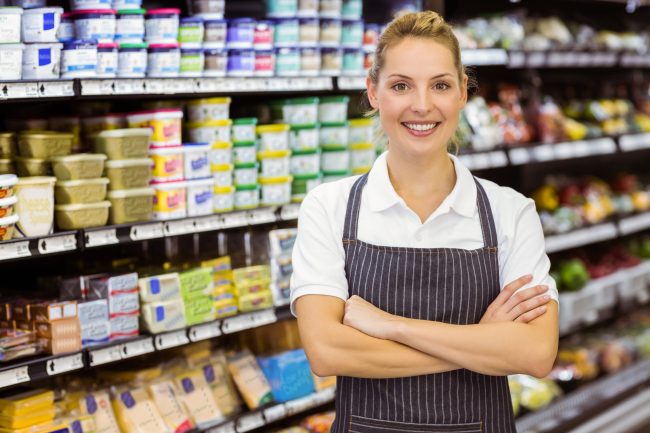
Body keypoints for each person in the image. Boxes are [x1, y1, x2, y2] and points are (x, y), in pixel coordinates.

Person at [290, 10, 559, 433]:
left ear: (462, 94)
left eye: (440, 85)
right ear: (373, 92)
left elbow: (535, 353)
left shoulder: (510, 212)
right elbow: (326, 351)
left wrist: (390, 326)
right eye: (401, 86)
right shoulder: (330, 207)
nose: (422, 105)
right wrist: (481, 341)